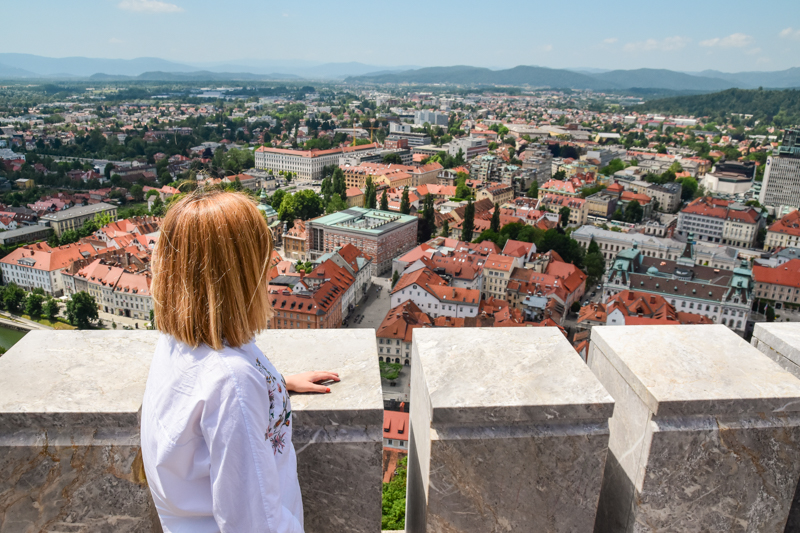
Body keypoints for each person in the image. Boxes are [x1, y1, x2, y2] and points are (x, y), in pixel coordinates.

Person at [141, 190, 339, 532]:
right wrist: (247, 389)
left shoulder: (178, 343)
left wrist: (275, 383)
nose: (273, 264)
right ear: (239, 275)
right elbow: (254, 523)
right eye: (264, 257)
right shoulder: (231, 383)